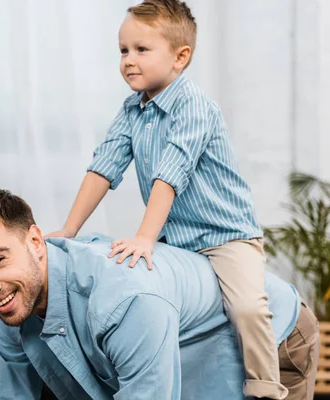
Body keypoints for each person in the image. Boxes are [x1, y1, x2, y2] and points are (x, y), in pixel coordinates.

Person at [46, 1, 283, 398]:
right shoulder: (131, 110)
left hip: (224, 237)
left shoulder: (194, 105)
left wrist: (144, 238)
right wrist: (69, 229)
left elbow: (169, 176)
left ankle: (267, 389)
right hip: (179, 243)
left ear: (180, 57)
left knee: (247, 309)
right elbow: (102, 168)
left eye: (141, 50)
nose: (128, 60)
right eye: (123, 50)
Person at [0, 189, 320, 400]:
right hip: (189, 348)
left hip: (273, 337)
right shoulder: (11, 302)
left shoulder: (123, 301)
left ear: (37, 242)